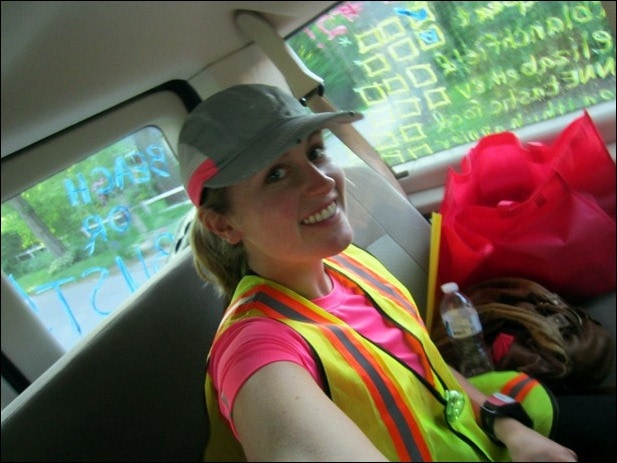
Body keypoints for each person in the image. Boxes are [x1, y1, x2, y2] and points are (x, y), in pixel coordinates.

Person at [177, 83, 578, 461]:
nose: (321, 182)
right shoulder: (255, 350)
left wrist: (508, 426)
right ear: (223, 225)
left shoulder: (351, 263)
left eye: (315, 152)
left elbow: (426, 368)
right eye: (276, 175)